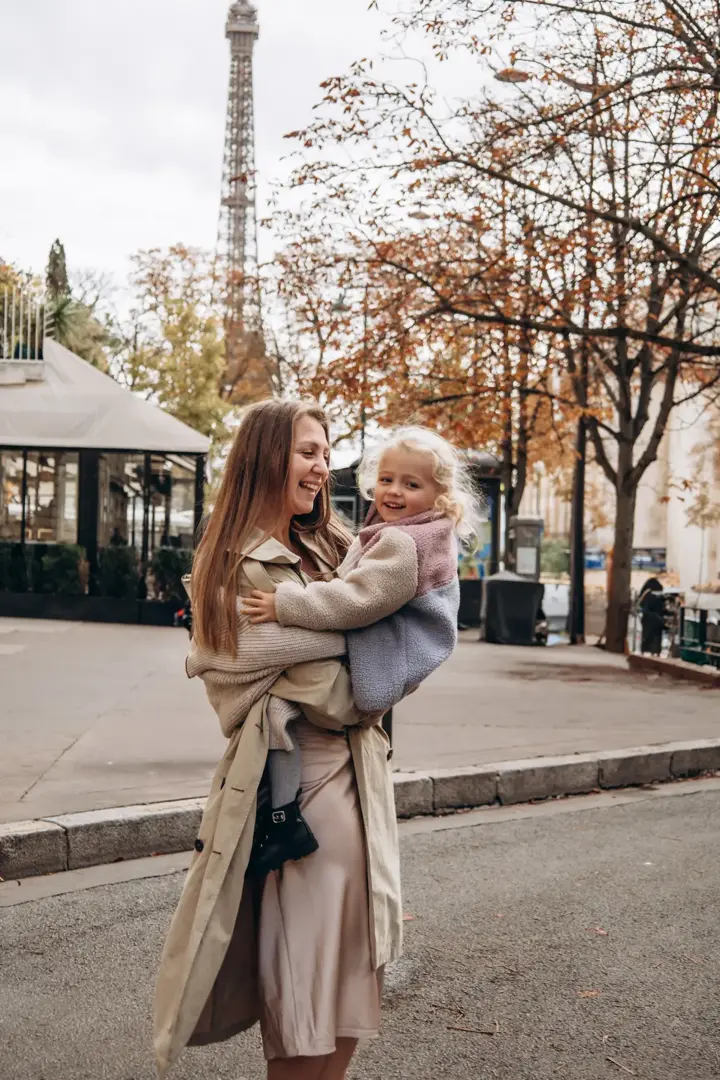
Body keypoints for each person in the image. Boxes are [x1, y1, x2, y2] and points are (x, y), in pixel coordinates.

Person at [153, 399, 403, 1080]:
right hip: (296, 800)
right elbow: (246, 672)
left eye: (325, 453)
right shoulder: (229, 559)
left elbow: (397, 650)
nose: (322, 468)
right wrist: (356, 641)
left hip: (361, 796)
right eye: (307, 452)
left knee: (349, 993)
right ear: (266, 457)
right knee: (302, 1006)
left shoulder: (337, 546)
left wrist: (341, 650)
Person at [244, 426, 480, 874]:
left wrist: (287, 603)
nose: (394, 491)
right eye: (388, 479)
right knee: (283, 710)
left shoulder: (402, 542)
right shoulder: (402, 532)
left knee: (278, 708)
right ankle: (278, 813)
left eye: (412, 485)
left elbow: (356, 602)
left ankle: (281, 818)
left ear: (439, 495)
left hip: (382, 650)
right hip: (388, 645)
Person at [638, 576, 665, 655]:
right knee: (651, 637)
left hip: (649, 620)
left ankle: (646, 652)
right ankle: (654, 653)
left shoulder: (646, 594)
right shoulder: (649, 595)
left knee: (648, 637)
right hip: (651, 620)